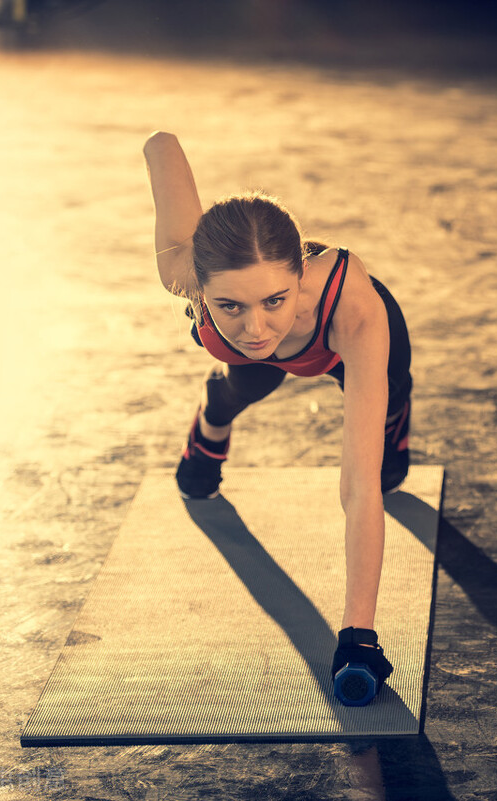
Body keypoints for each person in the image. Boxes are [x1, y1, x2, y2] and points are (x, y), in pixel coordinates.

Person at [143, 131, 411, 705]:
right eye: (229, 307)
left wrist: (358, 633)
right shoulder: (182, 272)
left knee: (386, 460)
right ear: (201, 291)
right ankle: (212, 421)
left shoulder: (350, 304)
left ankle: (395, 420)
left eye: (274, 301)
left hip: (341, 344)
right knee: (243, 383)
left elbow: (358, 489)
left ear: (297, 279)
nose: (256, 328)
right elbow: (160, 142)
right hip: (254, 357)